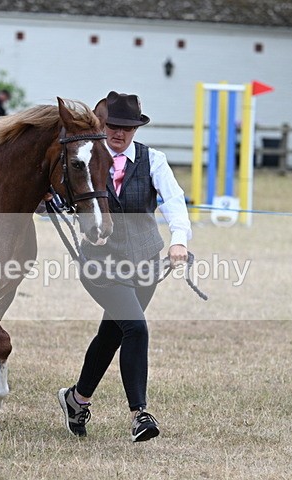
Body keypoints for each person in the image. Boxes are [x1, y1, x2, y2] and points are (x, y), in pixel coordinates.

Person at [57, 91, 192, 442]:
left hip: (145, 261)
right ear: (103, 125)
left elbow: (174, 201)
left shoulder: (153, 160)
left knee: (112, 333)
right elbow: (61, 193)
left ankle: (77, 399)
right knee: (136, 327)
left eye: (128, 127)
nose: (120, 133)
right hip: (100, 263)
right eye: (114, 125)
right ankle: (139, 415)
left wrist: (179, 240)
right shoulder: (86, 157)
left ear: (137, 128)